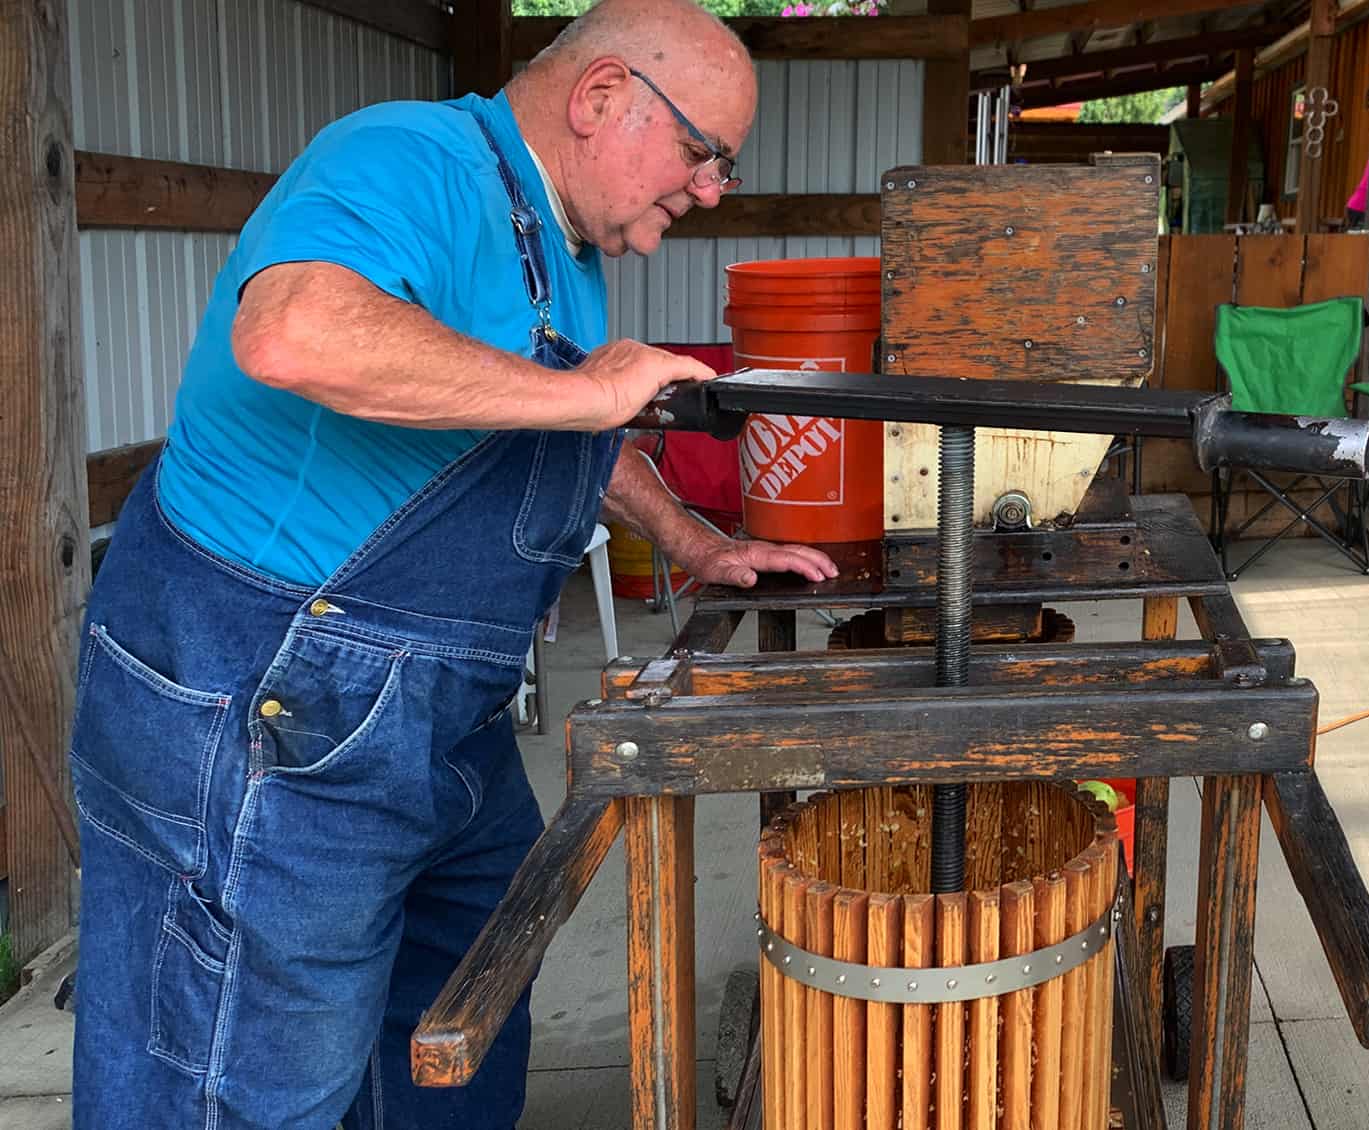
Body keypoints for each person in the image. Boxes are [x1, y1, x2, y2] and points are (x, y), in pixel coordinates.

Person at [68, 1, 837, 1127]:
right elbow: (292, 331)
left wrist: (692, 538)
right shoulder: (408, 157)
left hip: (424, 714)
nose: (712, 187)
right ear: (603, 96)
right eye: (703, 152)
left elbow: (539, 418)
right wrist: (589, 390)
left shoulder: (558, 245)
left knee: (461, 998)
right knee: (242, 1071)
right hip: (267, 698)